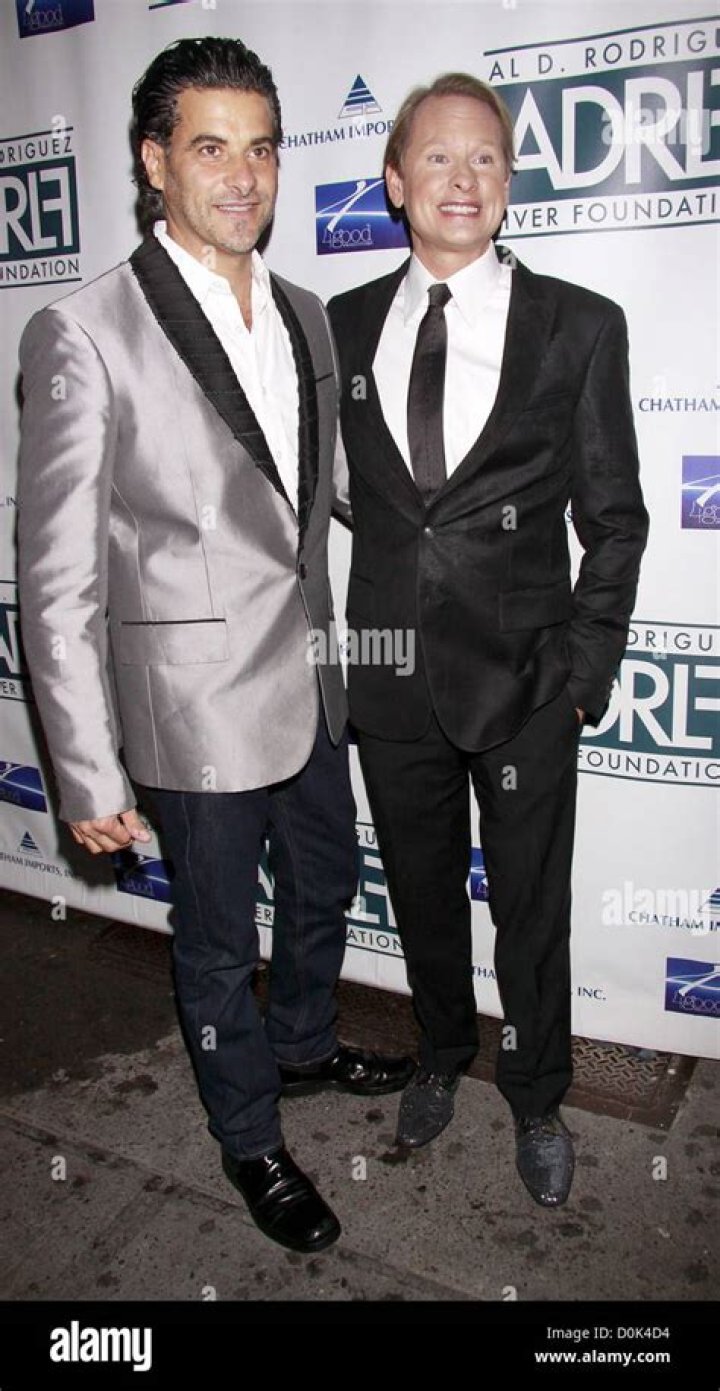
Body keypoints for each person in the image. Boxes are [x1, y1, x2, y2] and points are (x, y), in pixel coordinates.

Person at [17, 37, 413, 1256]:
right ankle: (249, 1134)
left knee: (327, 882)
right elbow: (57, 575)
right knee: (214, 940)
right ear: (153, 161)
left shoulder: (305, 314)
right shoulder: (84, 330)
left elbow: (325, 486)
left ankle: (301, 1044)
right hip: (190, 707)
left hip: (310, 681)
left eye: (262, 149)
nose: (243, 176)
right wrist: (85, 770)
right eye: (210, 148)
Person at [327, 73, 648, 1207]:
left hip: (527, 685)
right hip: (391, 683)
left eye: (485, 159)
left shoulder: (580, 325)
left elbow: (615, 520)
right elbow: (334, 494)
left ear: (509, 181)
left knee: (530, 909)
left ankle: (538, 1091)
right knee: (420, 891)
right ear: (394, 181)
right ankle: (441, 1052)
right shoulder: (338, 326)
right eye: (438, 157)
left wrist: (582, 676)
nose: (462, 179)